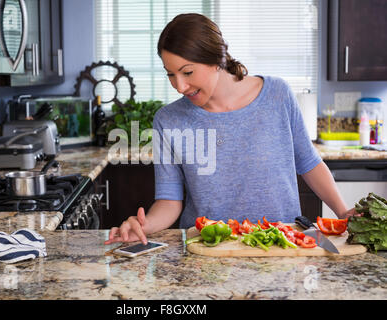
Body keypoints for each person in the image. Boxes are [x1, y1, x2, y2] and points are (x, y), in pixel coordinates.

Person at [105, 13, 355, 246]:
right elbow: (170, 200)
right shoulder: (169, 119)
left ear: (216, 60)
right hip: (207, 251)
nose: (179, 86)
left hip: (280, 245)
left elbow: (308, 162)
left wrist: (343, 212)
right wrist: (144, 224)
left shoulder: (277, 94)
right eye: (170, 74)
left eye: (187, 72)